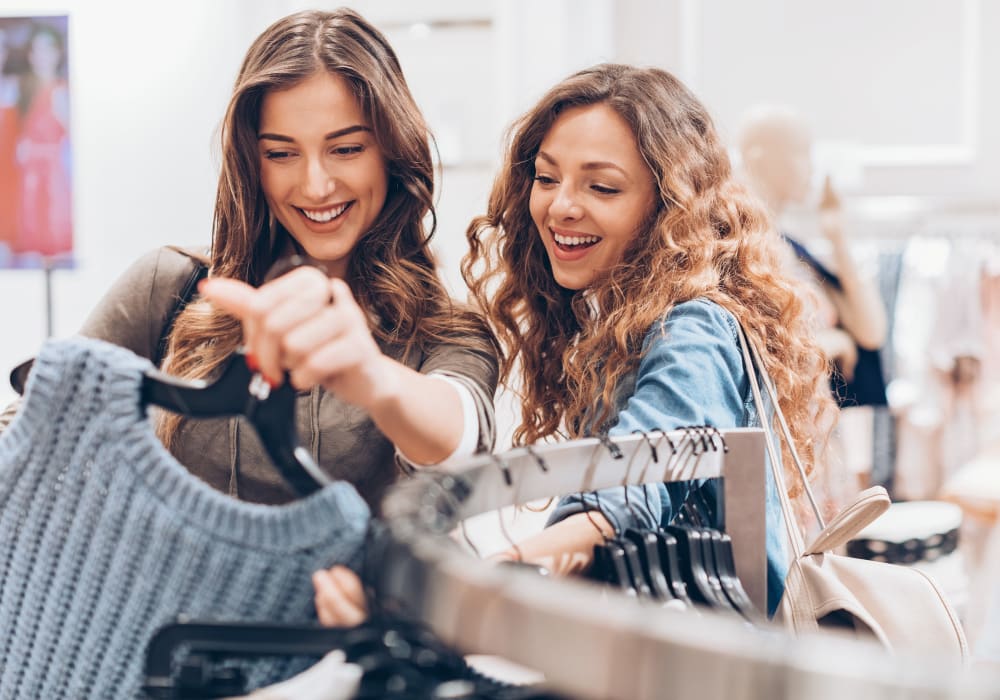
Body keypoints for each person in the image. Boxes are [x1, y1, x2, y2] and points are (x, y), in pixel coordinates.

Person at [1, 9, 499, 621]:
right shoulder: (172, 289)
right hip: (175, 660)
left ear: (391, 153)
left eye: (345, 149)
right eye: (281, 153)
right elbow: (31, 441)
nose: (316, 185)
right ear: (250, 161)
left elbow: (455, 435)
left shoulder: (449, 334)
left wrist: (371, 376)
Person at [313, 63, 837, 624]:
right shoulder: (616, 324)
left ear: (669, 206)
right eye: (546, 178)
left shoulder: (692, 330)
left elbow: (635, 481)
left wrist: (468, 589)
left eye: (602, 186)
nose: (561, 205)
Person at [738, 105, 888, 495]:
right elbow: (755, 354)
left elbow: (871, 333)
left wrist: (838, 236)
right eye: (800, 152)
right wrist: (832, 343)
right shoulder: (743, 245)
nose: (810, 166)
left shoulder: (790, 246)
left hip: (812, 438)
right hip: (782, 444)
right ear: (760, 158)